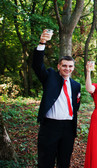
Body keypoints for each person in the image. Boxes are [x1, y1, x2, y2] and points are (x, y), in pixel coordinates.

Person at [32, 30, 81, 168]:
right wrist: (42, 42)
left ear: (73, 68)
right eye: (64, 65)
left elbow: (76, 105)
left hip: (68, 129)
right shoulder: (50, 77)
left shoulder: (76, 85)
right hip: (50, 127)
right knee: (45, 162)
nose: (67, 68)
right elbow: (37, 65)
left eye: (70, 66)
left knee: (64, 162)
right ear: (59, 66)